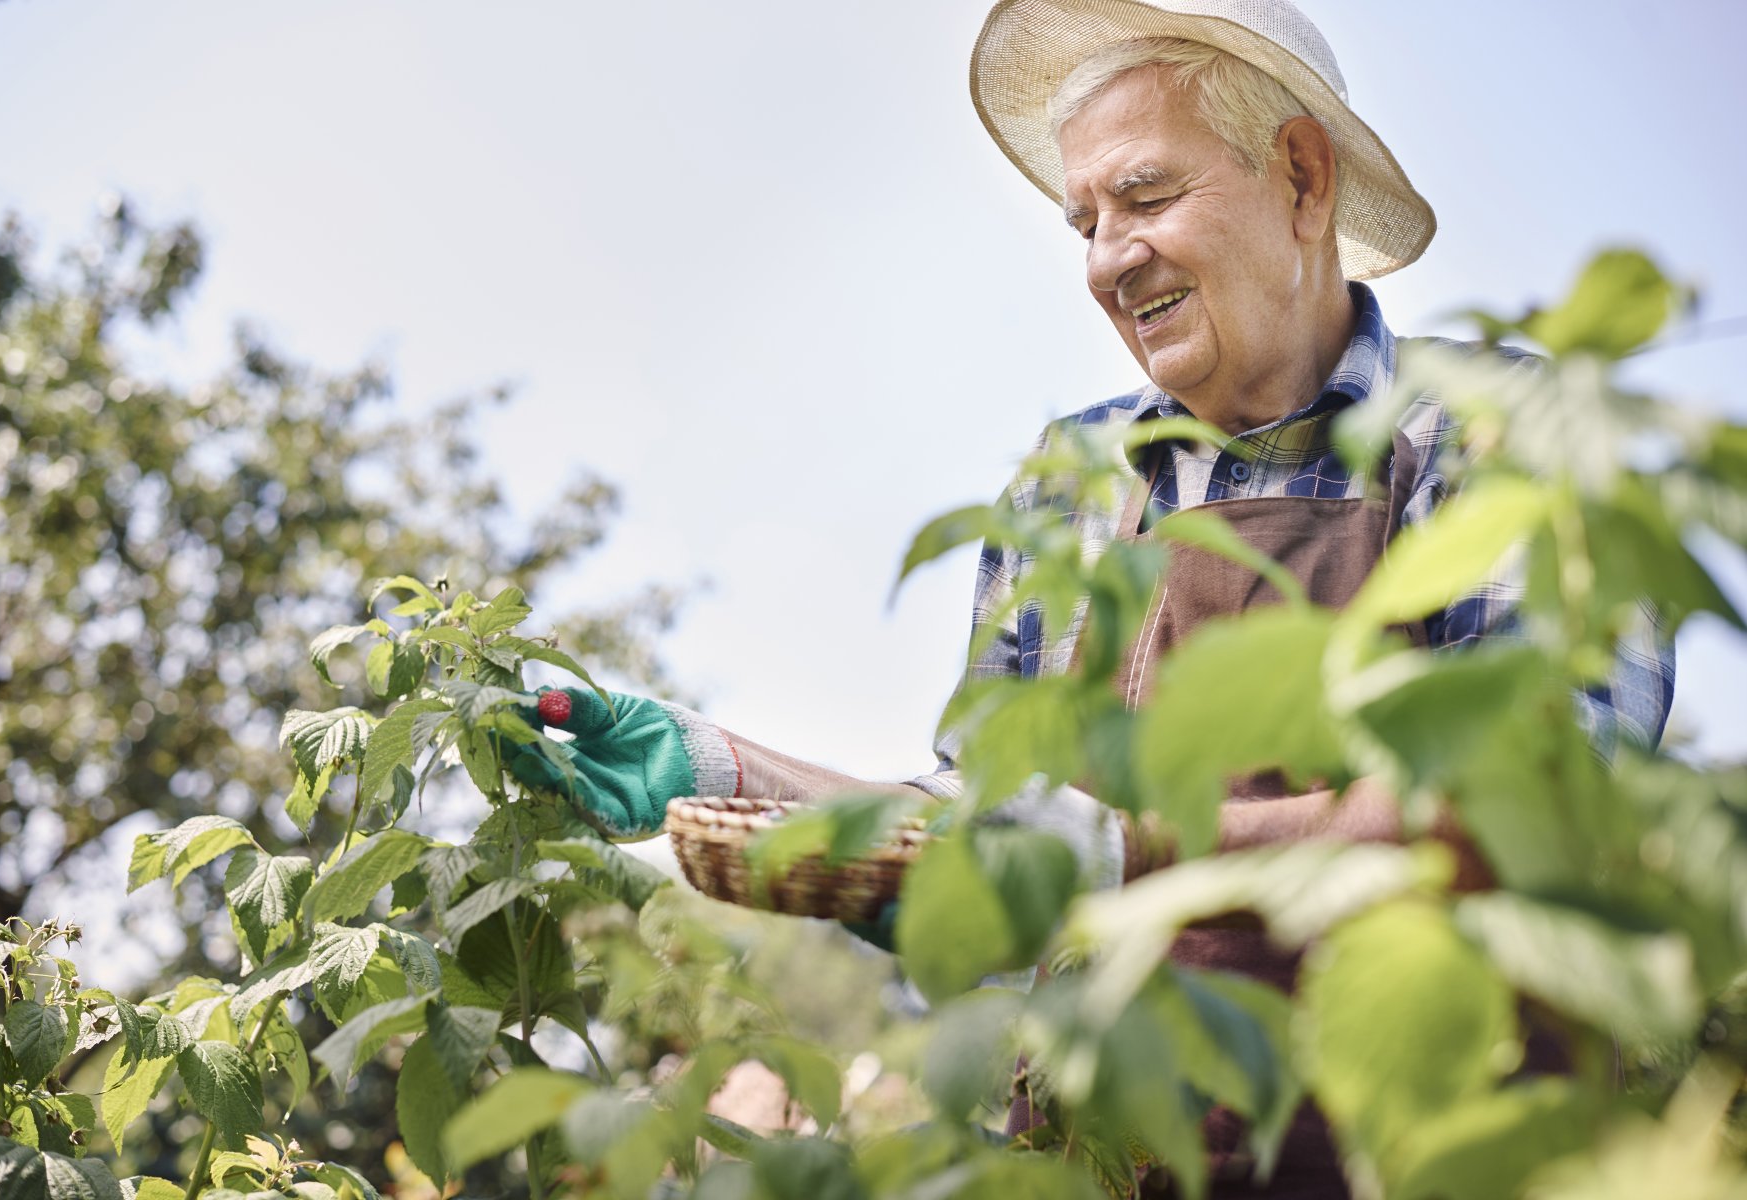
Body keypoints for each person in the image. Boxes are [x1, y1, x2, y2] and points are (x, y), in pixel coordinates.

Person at [509, 0, 1675, 1193]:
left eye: (1149, 196)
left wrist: (1130, 848)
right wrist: (728, 771)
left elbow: (1528, 811)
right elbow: (995, 827)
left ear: (1302, 177)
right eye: (1086, 220)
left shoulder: (1490, 436)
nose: (1109, 259)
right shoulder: (1074, 479)